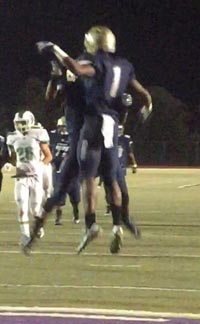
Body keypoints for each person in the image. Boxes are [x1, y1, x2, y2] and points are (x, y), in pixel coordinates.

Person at [24, 25, 152, 255]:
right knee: (108, 182)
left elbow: (64, 86)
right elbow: (53, 97)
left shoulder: (88, 65)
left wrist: (56, 54)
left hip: (88, 133)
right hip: (99, 130)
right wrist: (56, 77)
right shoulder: (118, 66)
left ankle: (102, 224)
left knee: (87, 183)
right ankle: (115, 226)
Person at [6, 110, 52, 249]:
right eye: (18, 123)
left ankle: (38, 226)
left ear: (30, 122)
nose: (20, 126)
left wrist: (39, 166)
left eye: (23, 123)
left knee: (36, 209)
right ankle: (25, 236)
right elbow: (14, 159)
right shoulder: (13, 137)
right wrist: (17, 165)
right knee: (21, 208)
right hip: (21, 178)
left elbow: (48, 156)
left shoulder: (38, 133)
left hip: (36, 177)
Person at [50, 116, 80, 225]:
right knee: (59, 195)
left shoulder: (74, 138)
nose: (62, 130)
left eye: (64, 127)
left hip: (72, 171)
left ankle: (76, 214)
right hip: (58, 171)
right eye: (60, 127)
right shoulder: (53, 137)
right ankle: (58, 218)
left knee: (75, 197)